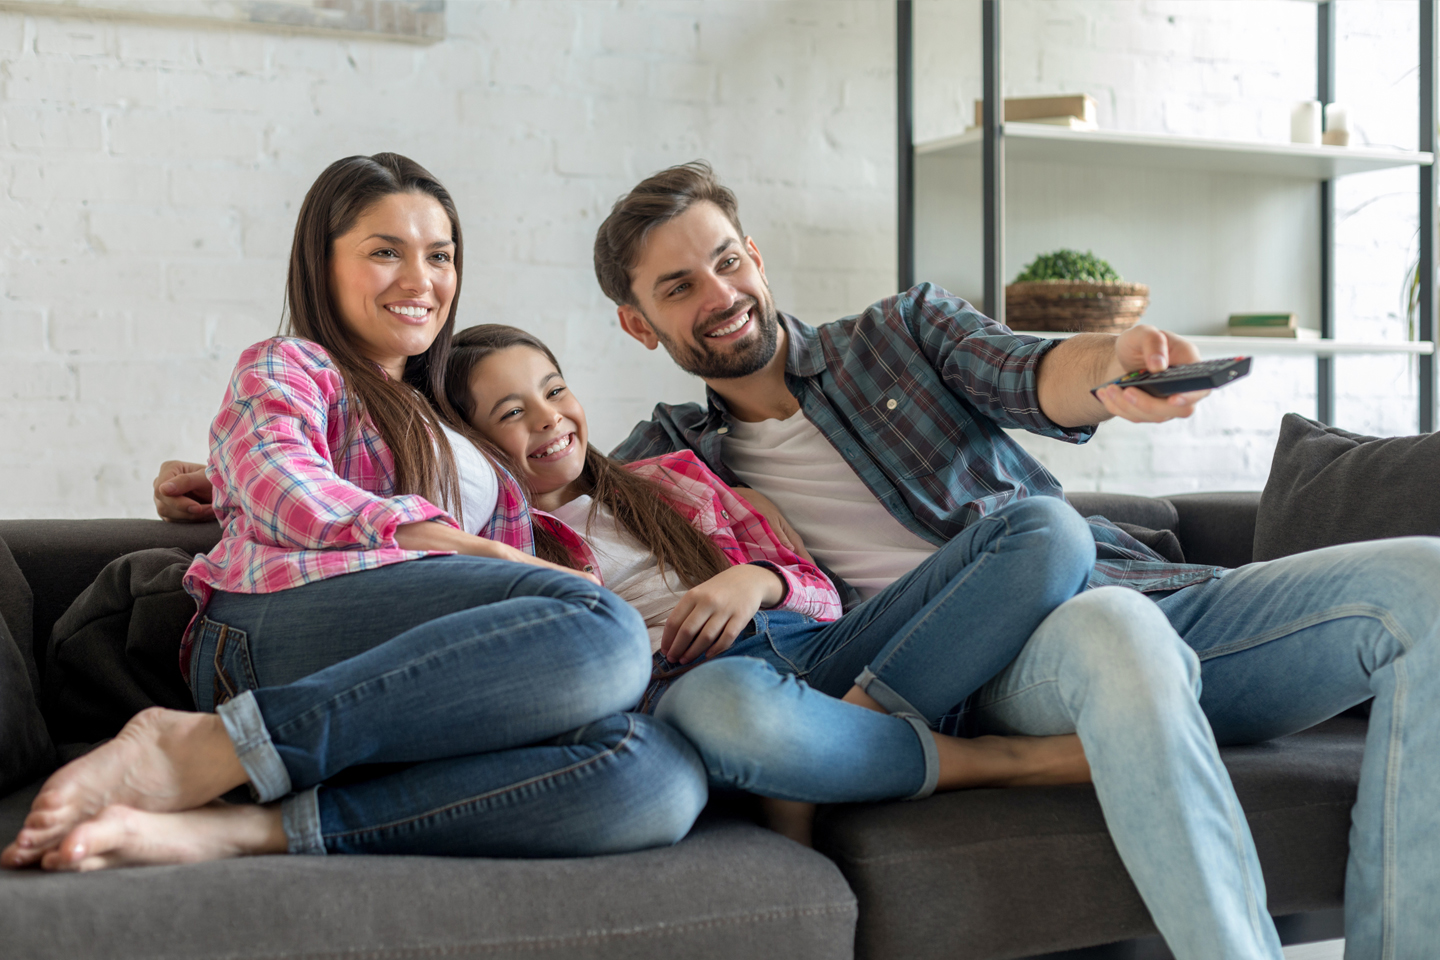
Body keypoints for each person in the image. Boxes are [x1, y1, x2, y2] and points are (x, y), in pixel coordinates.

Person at [592, 162, 1440, 960]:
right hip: (992, 676)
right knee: (1107, 626)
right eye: (679, 287)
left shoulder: (898, 335)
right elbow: (551, 546)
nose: (721, 295)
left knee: (1425, 584)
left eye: (727, 261)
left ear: (756, 258)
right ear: (639, 324)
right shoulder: (660, 471)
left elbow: (1033, 371)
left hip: (1133, 593)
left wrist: (1112, 366)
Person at [2, 153, 707, 873]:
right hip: (276, 621)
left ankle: (247, 829)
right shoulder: (288, 365)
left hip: (422, 677)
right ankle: (208, 747)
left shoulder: (453, 421)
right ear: (322, 262)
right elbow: (284, 484)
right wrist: (469, 548)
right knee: (601, 631)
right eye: (384, 253)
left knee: (656, 773)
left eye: (439, 256)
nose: (420, 280)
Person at [440, 323, 1091, 832]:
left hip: (808, 650)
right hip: (693, 687)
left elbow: (823, 597)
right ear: (472, 445)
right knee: (723, 702)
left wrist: (756, 580)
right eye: (511, 412)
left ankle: (827, 746)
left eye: (553, 390)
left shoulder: (671, 481)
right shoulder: (500, 548)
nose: (548, 417)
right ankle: (1005, 763)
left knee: (1048, 531)